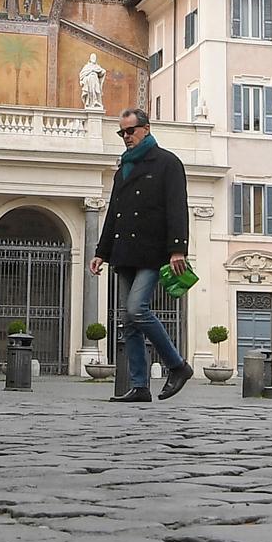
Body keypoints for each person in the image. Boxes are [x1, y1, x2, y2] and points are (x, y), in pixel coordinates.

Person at [91, 107, 192, 402]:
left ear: (146, 129)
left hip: (152, 251)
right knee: (129, 321)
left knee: (137, 309)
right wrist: (101, 252)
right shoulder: (123, 166)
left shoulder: (167, 163)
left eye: (130, 131)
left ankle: (177, 365)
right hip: (125, 253)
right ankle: (139, 386)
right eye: (121, 132)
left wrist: (177, 249)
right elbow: (114, 212)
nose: (126, 137)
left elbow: (177, 208)